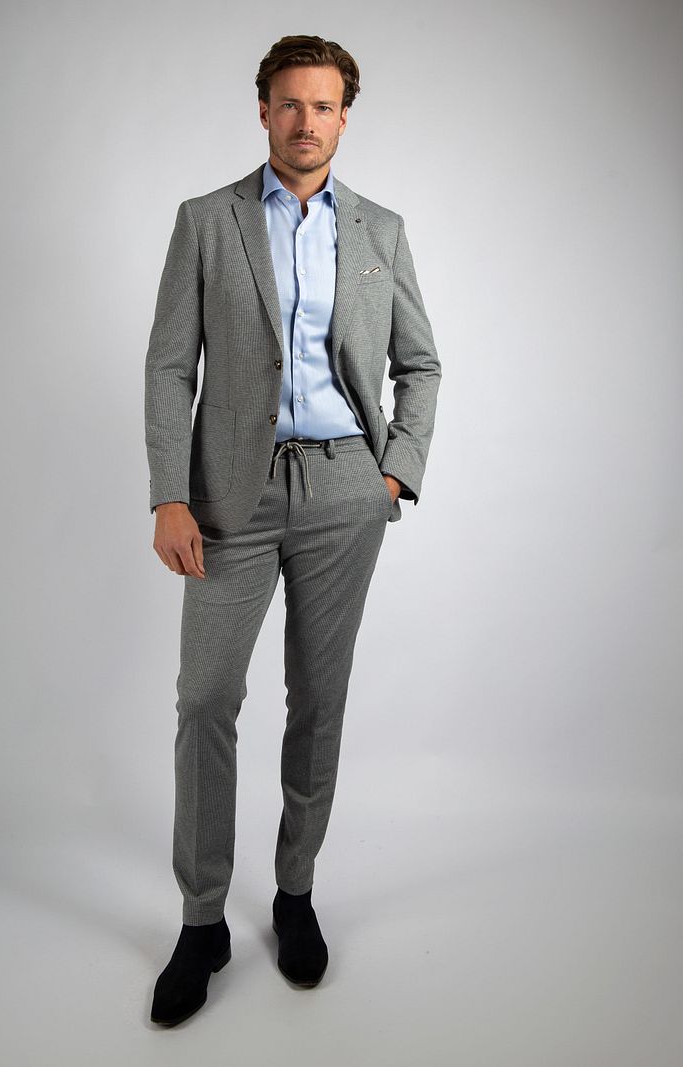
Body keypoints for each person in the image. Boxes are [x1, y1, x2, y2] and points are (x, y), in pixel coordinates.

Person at [144, 34, 441, 1026]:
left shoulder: (379, 230)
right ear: (263, 110)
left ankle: (295, 889)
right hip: (227, 497)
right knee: (204, 698)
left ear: (343, 117)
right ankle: (201, 920)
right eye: (288, 103)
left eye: (322, 105)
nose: (304, 121)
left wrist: (394, 470)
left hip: (345, 490)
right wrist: (168, 493)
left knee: (318, 698)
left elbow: (419, 362)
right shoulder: (207, 220)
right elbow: (168, 365)